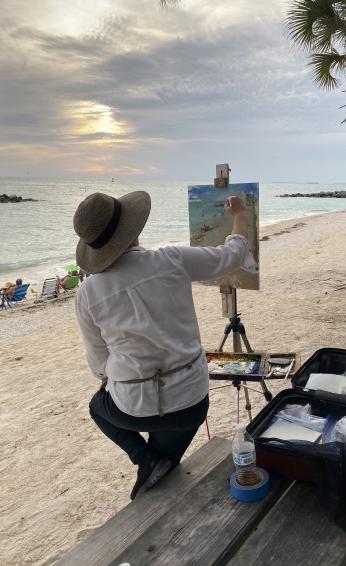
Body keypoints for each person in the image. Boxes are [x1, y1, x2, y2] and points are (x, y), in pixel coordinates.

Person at [73, 191, 254, 500]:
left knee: (97, 407)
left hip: (132, 406)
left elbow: (98, 365)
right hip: (190, 401)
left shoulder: (88, 292)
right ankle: (151, 468)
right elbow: (231, 255)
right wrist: (239, 216)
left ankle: (145, 461)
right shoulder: (171, 259)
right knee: (166, 460)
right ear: (133, 231)